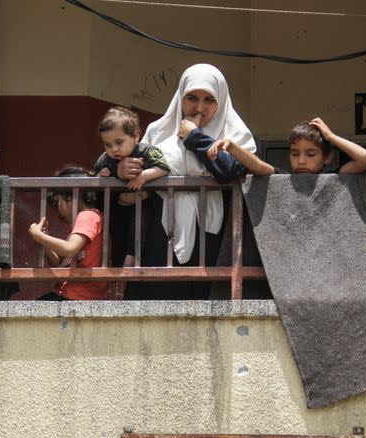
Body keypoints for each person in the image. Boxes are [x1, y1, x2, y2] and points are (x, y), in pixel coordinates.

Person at [116, 63, 256, 299]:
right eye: (192, 97)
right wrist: (121, 168)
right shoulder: (158, 132)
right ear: (180, 97)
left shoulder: (234, 134)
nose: (199, 107)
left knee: (201, 296)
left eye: (209, 100)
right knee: (156, 297)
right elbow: (131, 170)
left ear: (220, 100)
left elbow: (229, 170)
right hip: (159, 230)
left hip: (210, 231)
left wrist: (194, 136)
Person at [94, 106, 169, 269]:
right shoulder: (104, 159)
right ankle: (120, 260)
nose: (113, 149)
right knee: (117, 235)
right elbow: (95, 178)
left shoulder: (147, 151)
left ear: (135, 135)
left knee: (141, 220)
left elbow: (163, 167)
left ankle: (133, 254)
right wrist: (104, 176)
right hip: (118, 211)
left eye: (119, 142)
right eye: (107, 144)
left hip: (144, 208)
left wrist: (144, 176)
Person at [28, 165, 110, 301]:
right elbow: (59, 264)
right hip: (69, 293)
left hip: (78, 295)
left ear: (70, 197)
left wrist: (39, 235)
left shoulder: (88, 216)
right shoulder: (79, 224)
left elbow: (70, 249)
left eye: (56, 203)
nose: (57, 212)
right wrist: (43, 240)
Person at [207, 117, 366, 174]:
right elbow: (258, 166)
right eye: (295, 154)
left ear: (327, 157)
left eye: (310, 154)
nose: (301, 161)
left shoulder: (335, 177)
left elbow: (365, 159)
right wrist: (231, 146)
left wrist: (330, 136)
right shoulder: (284, 179)